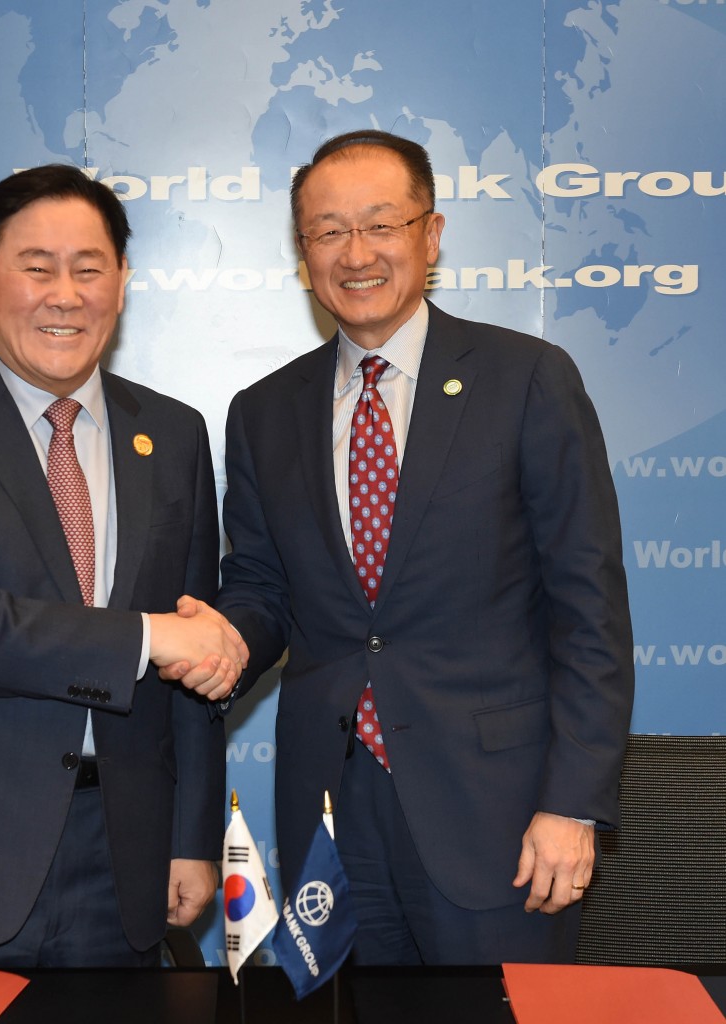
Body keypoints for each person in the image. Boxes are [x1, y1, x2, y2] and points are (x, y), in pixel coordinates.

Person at [171, 130, 634, 964]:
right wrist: (229, 636)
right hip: (331, 810)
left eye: (381, 225)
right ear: (302, 250)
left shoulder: (527, 378)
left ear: (432, 233)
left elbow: (588, 609)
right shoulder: (264, 410)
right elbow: (265, 586)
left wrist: (573, 804)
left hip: (499, 810)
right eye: (328, 231)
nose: (357, 254)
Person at [0, 164, 246, 967]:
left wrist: (191, 837)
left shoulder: (172, 434)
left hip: (126, 865)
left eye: (89, 269)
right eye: (35, 267)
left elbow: (194, 638)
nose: (64, 295)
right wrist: (147, 638)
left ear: (123, 282)